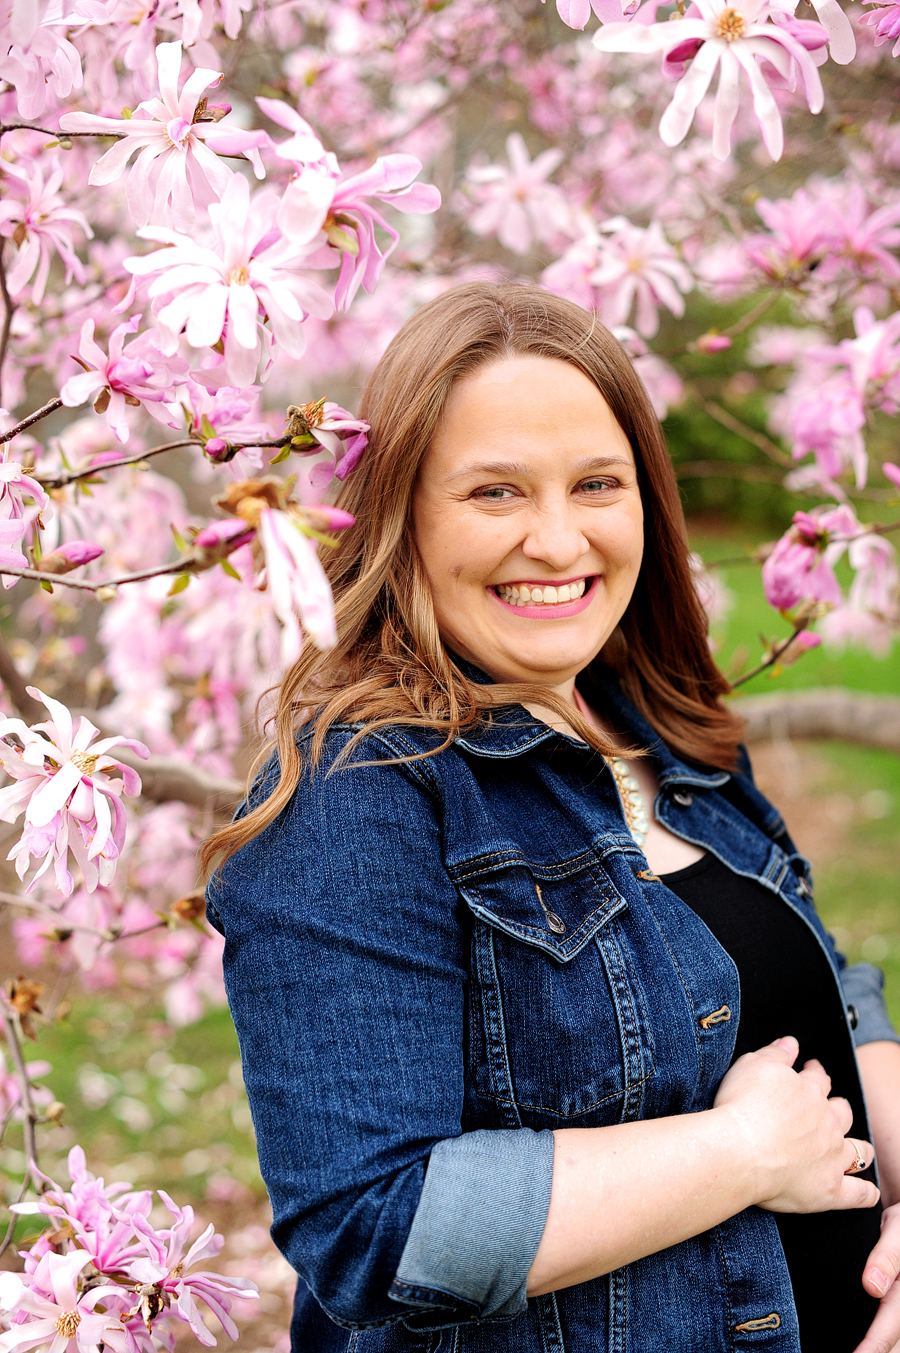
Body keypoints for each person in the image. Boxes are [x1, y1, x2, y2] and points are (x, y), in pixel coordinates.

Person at [203, 282, 900, 1353]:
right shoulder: (360, 795)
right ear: (402, 517)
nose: (558, 537)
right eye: (495, 493)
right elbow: (371, 1228)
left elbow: (828, 998)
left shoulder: (667, 731)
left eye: (596, 483)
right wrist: (742, 1152)